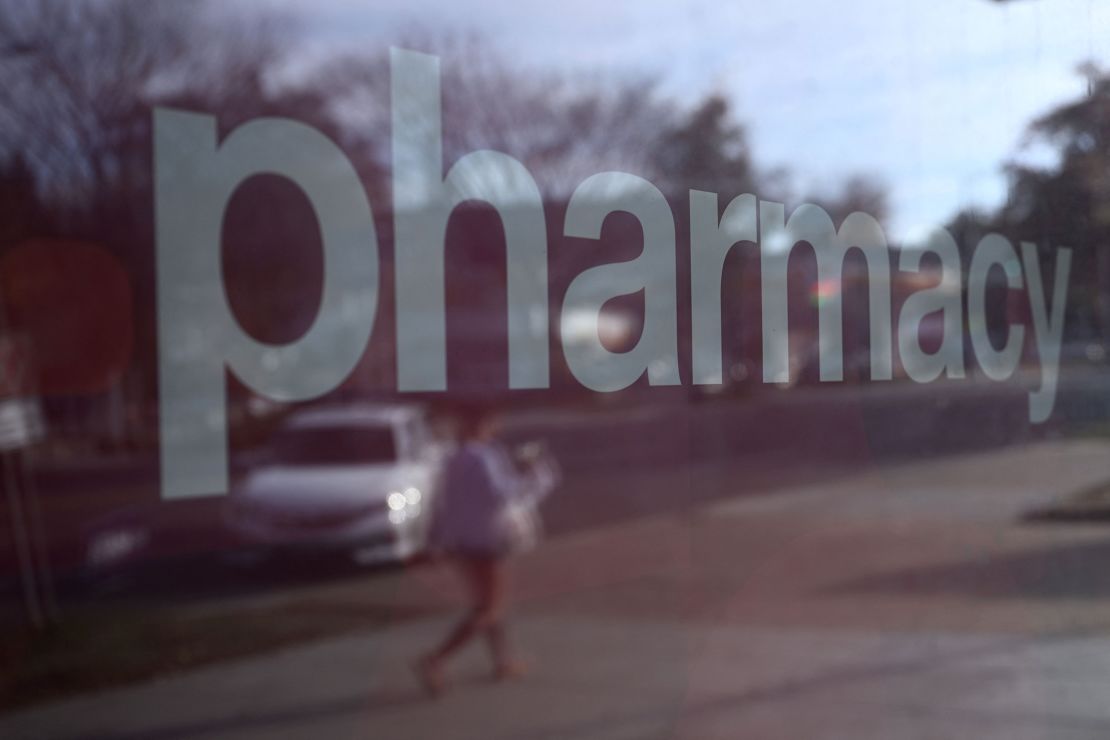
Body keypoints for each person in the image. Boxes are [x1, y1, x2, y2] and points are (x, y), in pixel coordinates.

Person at [415, 404, 557, 697]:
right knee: (490, 609)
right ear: (484, 424)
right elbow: (503, 494)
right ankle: (435, 660)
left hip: (464, 542)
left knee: (488, 603)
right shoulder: (483, 457)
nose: (497, 428)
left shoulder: (453, 458)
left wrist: (438, 541)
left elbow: (444, 503)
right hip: (489, 541)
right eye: (494, 423)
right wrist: (538, 475)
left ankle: (503, 661)